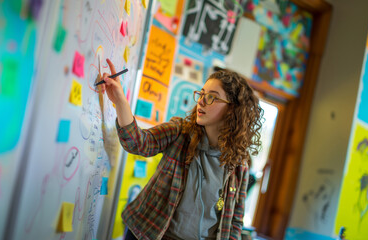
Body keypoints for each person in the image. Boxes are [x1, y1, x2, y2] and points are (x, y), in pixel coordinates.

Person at [100, 59, 263, 240]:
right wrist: (120, 100)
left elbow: (234, 222)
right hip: (148, 233)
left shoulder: (239, 164)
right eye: (201, 94)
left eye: (212, 97)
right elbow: (138, 143)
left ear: (232, 109)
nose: (201, 101)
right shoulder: (180, 131)